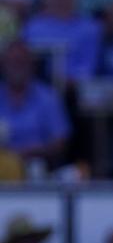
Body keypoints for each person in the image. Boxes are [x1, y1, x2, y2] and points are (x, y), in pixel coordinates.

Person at [0, 39, 71, 170]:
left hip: (38, 167)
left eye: (21, 62)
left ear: (32, 65)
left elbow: (61, 141)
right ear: (2, 65)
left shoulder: (48, 97)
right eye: (12, 62)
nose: (16, 67)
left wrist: (32, 152)